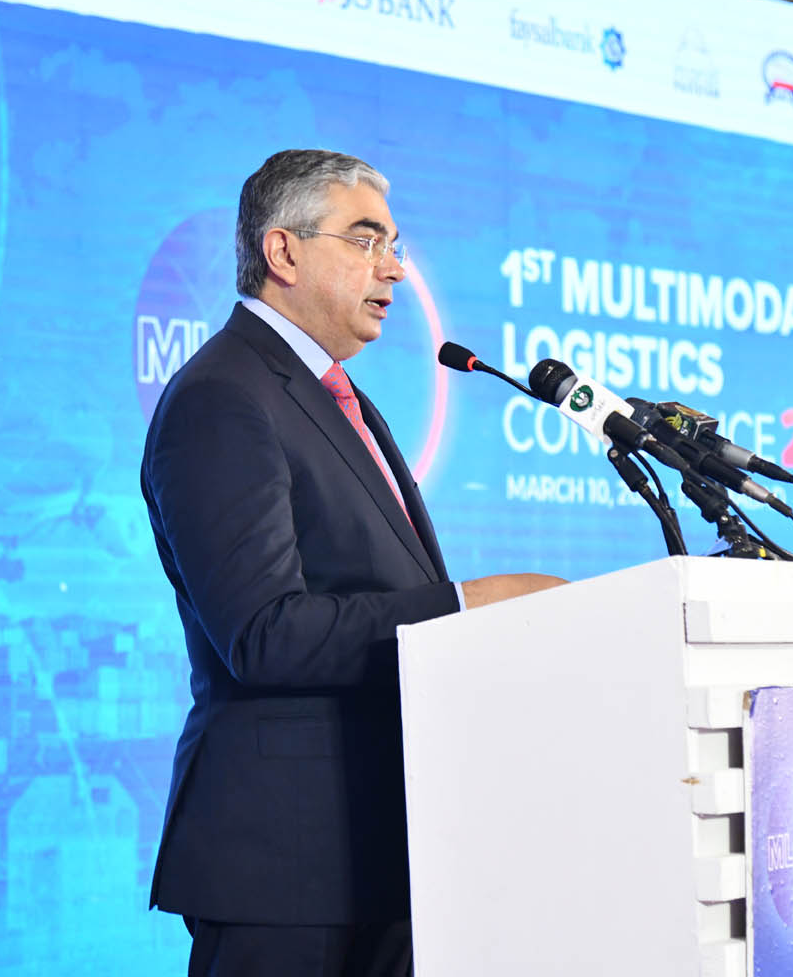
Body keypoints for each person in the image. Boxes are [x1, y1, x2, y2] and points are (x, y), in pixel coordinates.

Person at [140, 148, 564, 977]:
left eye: (395, 245)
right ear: (283, 251)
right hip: (285, 864)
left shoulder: (339, 397)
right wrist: (465, 606)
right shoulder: (223, 396)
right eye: (366, 240)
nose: (394, 267)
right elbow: (263, 633)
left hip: (383, 852)